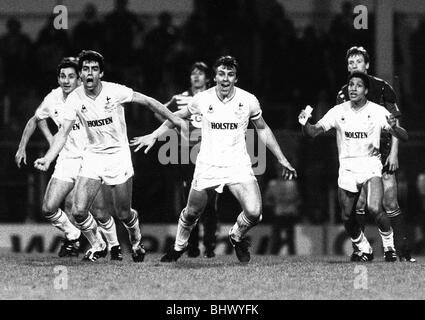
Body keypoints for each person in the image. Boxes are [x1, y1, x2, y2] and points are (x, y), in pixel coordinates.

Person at [131, 55, 297, 263]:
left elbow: (263, 129)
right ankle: (179, 247)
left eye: (230, 74)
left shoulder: (248, 100)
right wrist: (154, 135)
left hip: (238, 164)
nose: (225, 79)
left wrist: (281, 158)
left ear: (236, 78)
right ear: (215, 77)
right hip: (208, 163)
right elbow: (176, 117)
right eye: (221, 74)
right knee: (192, 212)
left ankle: (236, 236)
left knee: (254, 213)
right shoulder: (202, 99)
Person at [34, 50, 185, 262]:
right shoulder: (74, 99)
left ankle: (135, 239)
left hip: (118, 156)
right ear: (81, 73)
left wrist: (175, 120)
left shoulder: (115, 91)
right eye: (85, 69)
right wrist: (49, 158)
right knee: (78, 211)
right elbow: (62, 133)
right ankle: (99, 245)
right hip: (93, 156)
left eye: (94, 69)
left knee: (123, 213)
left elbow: (149, 101)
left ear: (101, 73)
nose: (89, 73)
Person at [15, 57, 124, 260]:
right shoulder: (53, 98)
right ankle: (74, 237)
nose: (66, 81)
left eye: (71, 76)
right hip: (66, 159)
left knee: (95, 211)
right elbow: (36, 119)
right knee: (49, 208)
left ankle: (112, 246)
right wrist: (25, 146)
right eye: (62, 76)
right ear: (58, 79)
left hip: (89, 158)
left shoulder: (87, 98)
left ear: (79, 79)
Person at [299, 71, 408, 262]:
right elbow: (313, 132)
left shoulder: (377, 111)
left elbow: (404, 136)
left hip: (371, 165)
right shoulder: (338, 111)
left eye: (358, 85)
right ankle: (364, 248)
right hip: (347, 169)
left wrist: (395, 127)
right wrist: (304, 123)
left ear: (366, 90)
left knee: (374, 208)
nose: (353, 88)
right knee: (347, 217)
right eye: (350, 85)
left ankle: (389, 247)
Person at [336, 46, 415, 262]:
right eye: (350, 63)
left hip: (384, 151)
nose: (354, 66)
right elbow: (341, 127)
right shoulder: (344, 92)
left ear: (367, 65)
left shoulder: (382, 87)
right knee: (359, 205)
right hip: (359, 156)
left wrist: (395, 153)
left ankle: (401, 251)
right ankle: (361, 250)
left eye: (358, 62)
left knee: (389, 203)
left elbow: (395, 121)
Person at [152, 61, 218, 258]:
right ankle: (193, 246)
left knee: (211, 203)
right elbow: (159, 110)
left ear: (207, 78)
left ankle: (210, 247)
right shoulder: (180, 99)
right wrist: (175, 123)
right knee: (191, 202)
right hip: (186, 156)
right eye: (193, 74)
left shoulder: (215, 97)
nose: (196, 76)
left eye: (200, 74)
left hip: (211, 154)